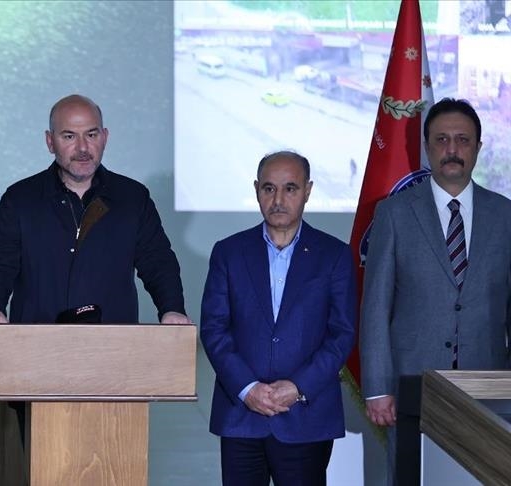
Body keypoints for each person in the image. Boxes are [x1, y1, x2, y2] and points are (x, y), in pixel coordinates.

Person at [360, 98, 511, 484]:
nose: (452, 149)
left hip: (489, 388)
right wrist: (377, 388)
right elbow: (375, 308)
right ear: (427, 147)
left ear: (478, 148)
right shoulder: (394, 213)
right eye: (442, 139)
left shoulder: (505, 215)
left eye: (463, 140)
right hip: (411, 386)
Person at [0, 94, 189, 342]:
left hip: (114, 347)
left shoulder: (133, 198)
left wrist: (172, 308)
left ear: (104, 137)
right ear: (50, 141)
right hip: (35, 346)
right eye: (69, 136)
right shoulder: (20, 199)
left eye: (91, 135)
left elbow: (157, 262)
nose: (83, 148)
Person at [200, 151, 356, 485]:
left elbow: (341, 333)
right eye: (269, 189)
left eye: (290, 188)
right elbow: (214, 329)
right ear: (257, 189)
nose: (278, 200)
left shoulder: (334, 254)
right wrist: (247, 388)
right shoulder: (228, 252)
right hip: (241, 414)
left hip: (306, 416)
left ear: (308, 191)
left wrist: (299, 387)